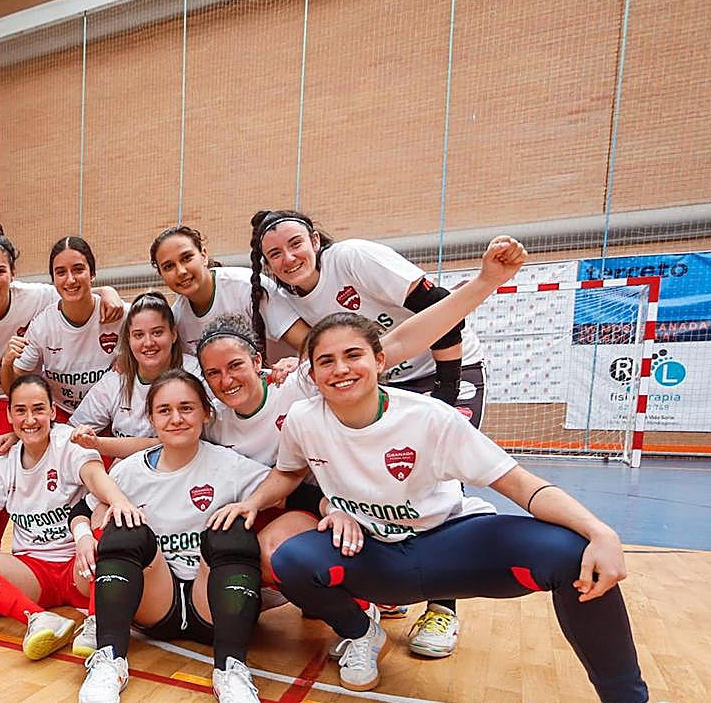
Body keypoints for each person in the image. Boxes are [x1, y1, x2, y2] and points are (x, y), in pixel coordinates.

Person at [211, 312, 711, 703]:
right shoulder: (305, 420)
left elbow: (519, 485)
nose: (340, 369)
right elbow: (289, 473)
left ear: (380, 360)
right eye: (326, 360)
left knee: (572, 555)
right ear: (311, 371)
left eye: (353, 355)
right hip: (374, 555)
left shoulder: (430, 418)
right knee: (293, 559)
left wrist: (601, 532)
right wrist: (256, 503)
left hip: (448, 546)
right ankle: (361, 633)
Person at [198, 236, 528, 608]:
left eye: (235, 365)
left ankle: (434, 604)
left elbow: (402, 340)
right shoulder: (212, 420)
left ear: (258, 362)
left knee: (424, 498)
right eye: (214, 372)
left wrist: (485, 282)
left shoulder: (301, 383)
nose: (227, 379)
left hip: (344, 501)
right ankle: (357, 603)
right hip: (313, 506)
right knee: (272, 557)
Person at [249, 208, 488, 647]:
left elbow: (440, 309)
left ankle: (442, 610)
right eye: (275, 254)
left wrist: (445, 393)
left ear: (315, 240)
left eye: (295, 244)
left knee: (436, 482)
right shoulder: (284, 298)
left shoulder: (354, 258)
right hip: (378, 381)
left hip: (442, 368)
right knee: (380, 484)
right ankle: (392, 583)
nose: (288, 258)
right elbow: (313, 352)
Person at [78, 369, 294, 703]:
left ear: (206, 413)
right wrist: (84, 534)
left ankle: (231, 671)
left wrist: (255, 503)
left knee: (232, 529)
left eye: (186, 408)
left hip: (210, 604)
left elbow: (292, 485)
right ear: (151, 419)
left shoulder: (229, 465)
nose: (176, 418)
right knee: (124, 528)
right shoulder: (129, 471)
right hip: (155, 603)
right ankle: (109, 658)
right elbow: (81, 509)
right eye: (164, 410)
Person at [0, 375, 143, 660]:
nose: (30, 419)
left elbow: (95, 477)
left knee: (106, 510)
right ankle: (38, 618)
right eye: (21, 411)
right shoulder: (3, 459)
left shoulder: (68, 442)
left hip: (80, 566)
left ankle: (97, 620)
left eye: (38, 409)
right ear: (9, 415)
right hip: (33, 572)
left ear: (52, 411)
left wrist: (119, 501)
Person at [0, 225, 124, 468]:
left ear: (13, 273)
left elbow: (74, 290)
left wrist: (108, 291)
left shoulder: (37, 297)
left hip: (11, 393)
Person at [4, 235, 126, 419]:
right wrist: (6, 363)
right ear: (53, 280)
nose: (70, 280)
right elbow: (15, 387)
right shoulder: (42, 326)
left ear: (92, 274)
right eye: (61, 272)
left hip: (111, 413)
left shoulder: (119, 313)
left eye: (78, 270)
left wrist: (129, 357)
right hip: (62, 413)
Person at [70, 291, 202, 460]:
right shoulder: (116, 379)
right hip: (126, 472)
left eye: (157, 332)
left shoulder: (194, 372)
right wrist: (81, 435)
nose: (148, 343)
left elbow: (178, 442)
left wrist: (100, 443)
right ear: (129, 339)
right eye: (139, 335)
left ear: (173, 334)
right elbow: (71, 432)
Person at [151, 225, 304, 359]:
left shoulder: (247, 286)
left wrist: (292, 366)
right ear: (161, 275)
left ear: (203, 256)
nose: (181, 271)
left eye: (187, 258)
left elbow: (308, 342)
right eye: (169, 266)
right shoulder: (177, 318)